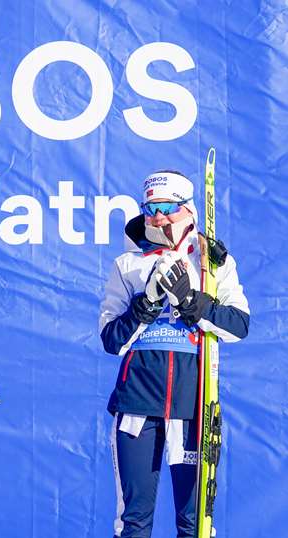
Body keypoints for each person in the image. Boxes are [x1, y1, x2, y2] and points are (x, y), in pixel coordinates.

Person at [99, 170, 250, 537]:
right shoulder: (128, 264)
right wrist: (147, 303)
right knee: (133, 520)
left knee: (194, 521)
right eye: (150, 209)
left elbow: (238, 326)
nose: (158, 217)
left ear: (189, 209)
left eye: (167, 208)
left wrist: (191, 302)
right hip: (137, 404)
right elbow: (111, 340)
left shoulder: (213, 262)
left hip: (193, 403)